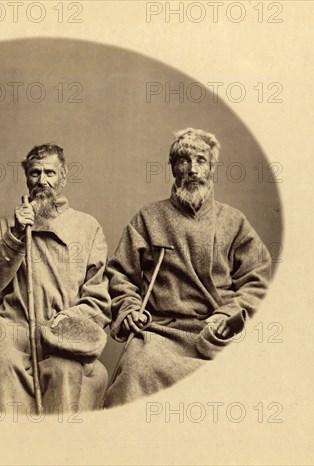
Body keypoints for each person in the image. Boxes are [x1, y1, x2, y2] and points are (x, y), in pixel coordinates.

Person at [103, 128, 272, 407]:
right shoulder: (148, 218)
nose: (192, 169)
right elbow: (120, 274)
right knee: (135, 372)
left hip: (216, 332)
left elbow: (258, 279)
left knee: (243, 382)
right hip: (159, 332)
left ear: (212, 168)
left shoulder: (233, 221)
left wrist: (228, 315)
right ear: (173, 167)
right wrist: (130, 309)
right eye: (184, 160)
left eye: (201, 161)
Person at [0, 144, 111, 414]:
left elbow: (98, 300)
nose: (42, 181)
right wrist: (15, 236)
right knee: (3, 366)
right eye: (35, 173)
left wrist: (67, 321)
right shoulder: (4, 227)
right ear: (26, 178)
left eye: (50, 173)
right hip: (13, 329)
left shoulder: (87, 227)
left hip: (63, 334)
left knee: (65, 370)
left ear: (63, 177)